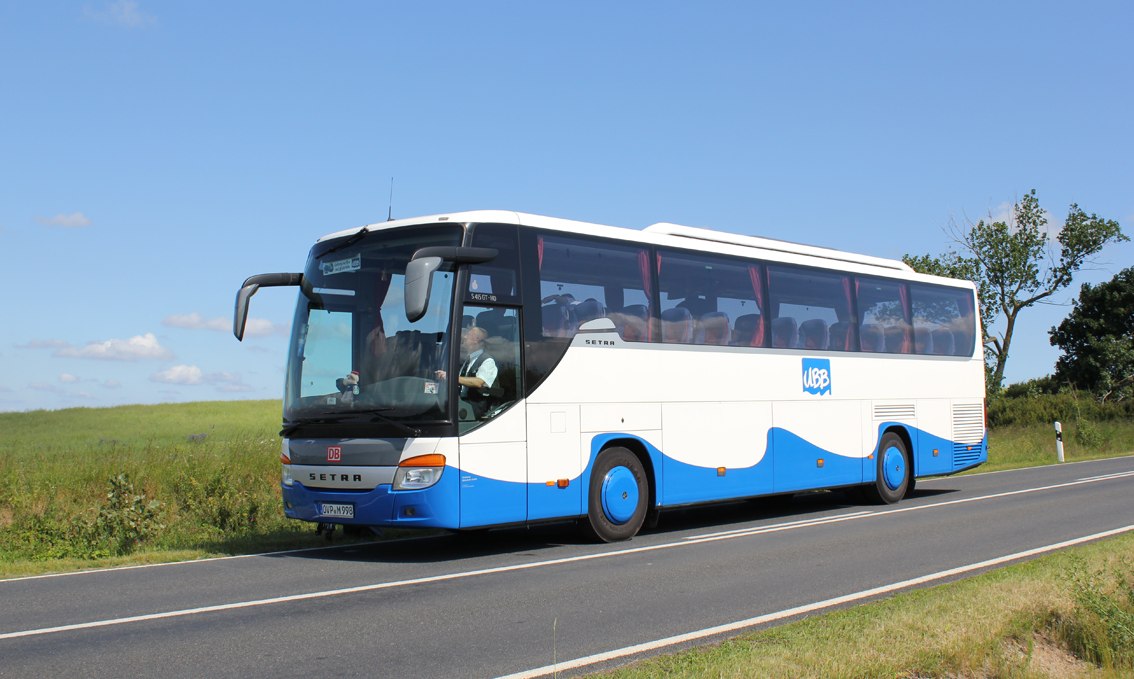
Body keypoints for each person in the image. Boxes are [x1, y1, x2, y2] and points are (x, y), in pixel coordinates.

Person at [434, 326, 498, 418]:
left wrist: (450, 377)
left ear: (476, 339)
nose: (464, 337)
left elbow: (479, 382)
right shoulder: (467, 360)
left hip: (475, 414)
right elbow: (461, 381)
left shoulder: (488, 360)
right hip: (462, 408)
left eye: (468, 334)